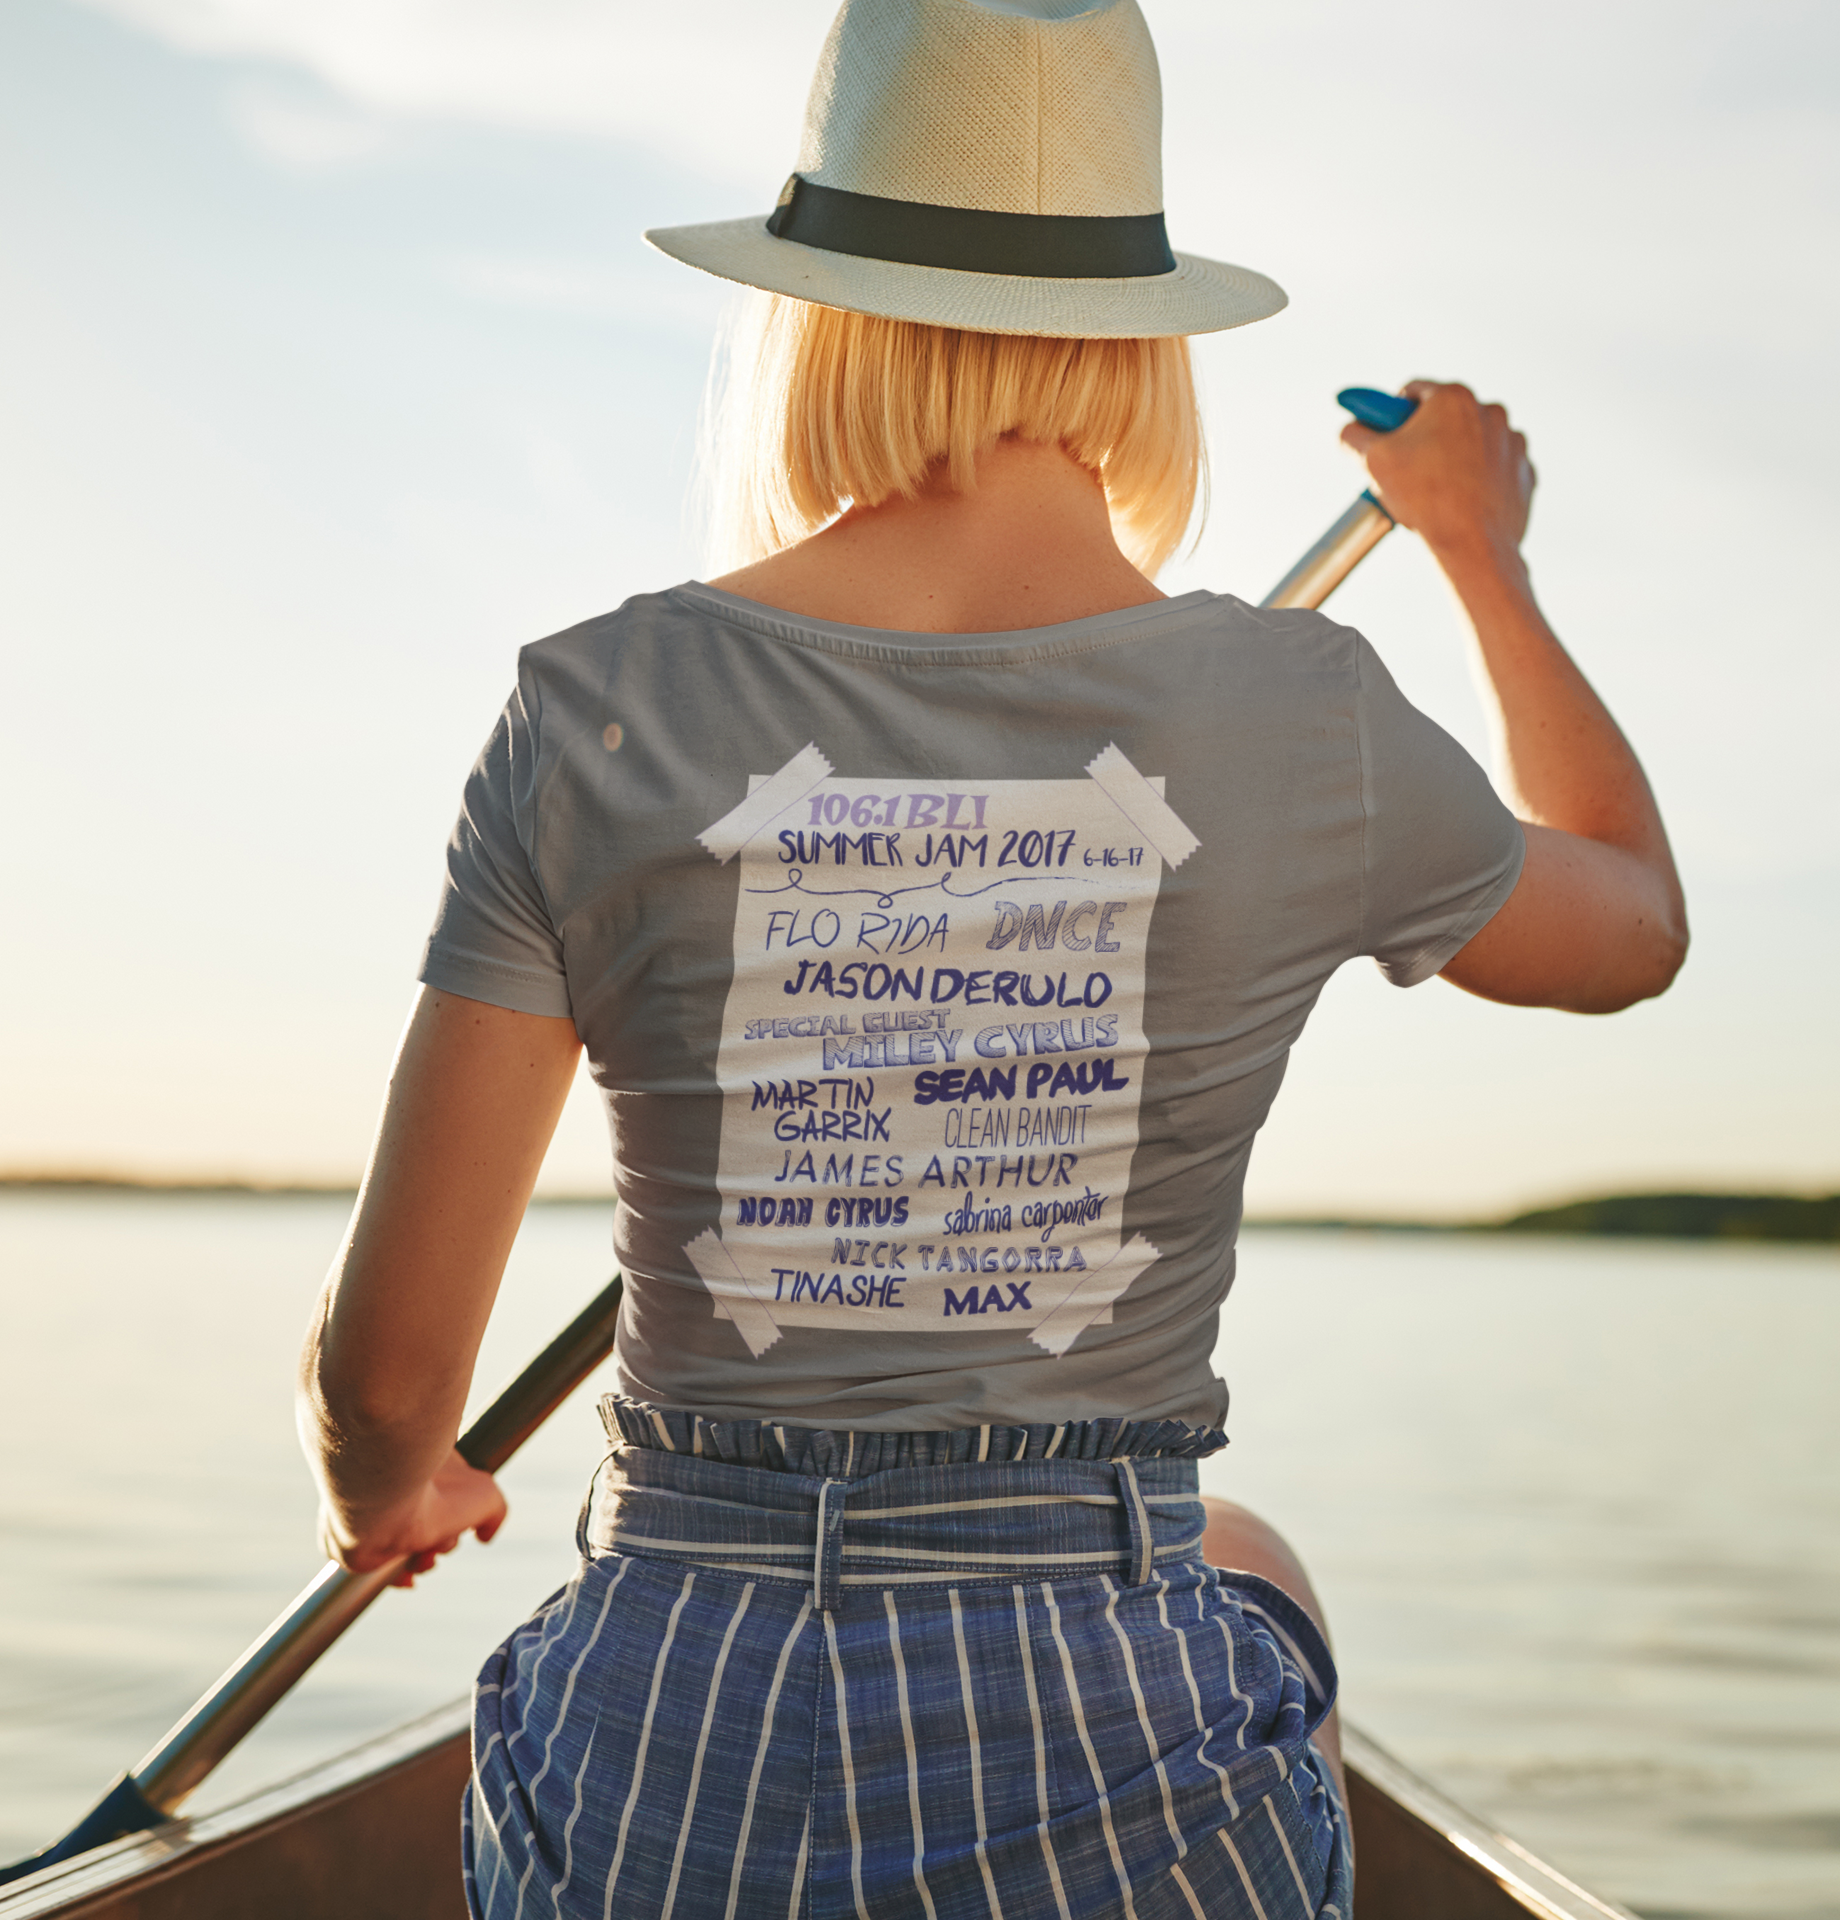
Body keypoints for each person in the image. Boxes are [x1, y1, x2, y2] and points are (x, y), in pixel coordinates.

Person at [296, 2, 1686, 1915]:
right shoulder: (1302, 715)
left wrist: (395, 1484)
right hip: (1108, 1729)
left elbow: (387, 1379)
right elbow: (1631, 925)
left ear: (815, 314)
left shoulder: (595, 707)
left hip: (665, 1731)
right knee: (1250, 1558)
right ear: (1145, 343)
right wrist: (1478, 554)